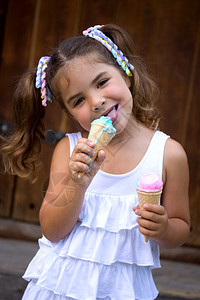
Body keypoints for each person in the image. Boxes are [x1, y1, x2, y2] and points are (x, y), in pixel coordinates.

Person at [0, 24, 190, 300]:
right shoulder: (70, 150)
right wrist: (77, 184)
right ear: (69, 112)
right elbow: (53, 231)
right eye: (78, 100)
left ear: (126, 73)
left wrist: (164, 229)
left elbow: (181, 227)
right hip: (59, 287)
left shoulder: (168, 154)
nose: (97, 102)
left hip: (123, 291)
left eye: (101, 82)